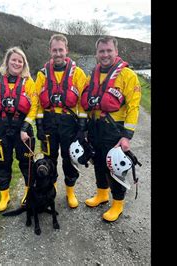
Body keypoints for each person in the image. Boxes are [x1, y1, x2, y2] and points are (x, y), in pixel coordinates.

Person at [80, 36, 142, 222]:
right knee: (98, 163)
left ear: (116, 52)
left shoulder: (128, 75)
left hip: (114, 130)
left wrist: (126, 136)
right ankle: (102, 194)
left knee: (113, 167)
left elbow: (133, 107)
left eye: (109, 51)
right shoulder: (94, 74)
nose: (105, 54)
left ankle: (118, 204)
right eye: (101, 51)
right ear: (97, 54)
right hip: (95, 128)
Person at [0, 47, 38, 212]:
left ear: (24, 64)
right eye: (14, 60)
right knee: (2, 163)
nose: (17, 63)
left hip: (23, 130)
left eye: (20, 61)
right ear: (7, 61)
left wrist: (26, 127)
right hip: (0, 129)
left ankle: (28, 193)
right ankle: (4, 196)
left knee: (27, 162)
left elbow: (35, 105)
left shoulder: (29, 83)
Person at [34, 34, 88, 209]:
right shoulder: (42, 75)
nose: (57, 53)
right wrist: (39, 126)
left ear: (66, 50)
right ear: (50, 51)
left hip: (68, 123)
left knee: (68, 158)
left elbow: (82, 104)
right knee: (49, 158)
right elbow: (37, 103)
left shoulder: (78, 74)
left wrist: (81, 128)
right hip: (49, 121)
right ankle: (51, 188)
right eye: (54, 50)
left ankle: (70, 192)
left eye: (60, 50)